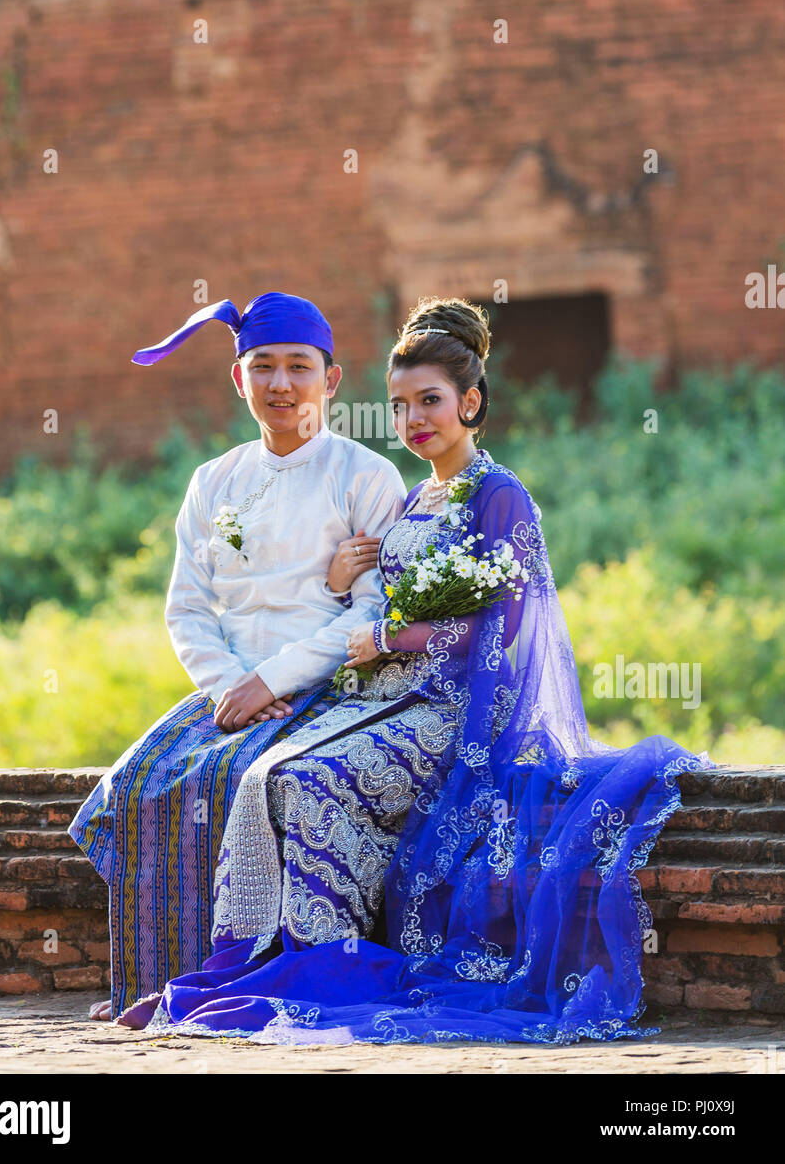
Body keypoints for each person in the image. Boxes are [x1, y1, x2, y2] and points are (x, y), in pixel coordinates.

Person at [113, 295, 717, 1047]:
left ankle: (325, 966)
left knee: (302, 781)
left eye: (428, 401)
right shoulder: (410, 498)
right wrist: (341, 582)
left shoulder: (501, 497)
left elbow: (509, 632)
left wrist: (394, 638)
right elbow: (371, 597)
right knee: (265, 774)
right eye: (398, 406)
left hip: (457, 711)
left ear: (470, 401)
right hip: (389, 697)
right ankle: (248, 962)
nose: (412, 421)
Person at [67, 291, 407, 1021]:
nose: (280, 385)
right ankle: (146, 985)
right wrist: (230, 684)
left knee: (237, 781)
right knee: (138, 787)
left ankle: (231, 984)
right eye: (262, 367)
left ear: (332, 380)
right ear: (238, 379)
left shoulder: (366, 475)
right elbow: (185, 606)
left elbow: (375, 611)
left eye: (297, 367)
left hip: (324, 683)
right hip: (229, 690)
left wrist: (272, 680)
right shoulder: (213, 480)